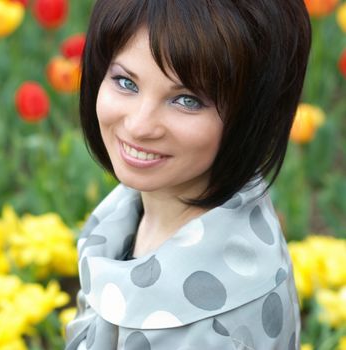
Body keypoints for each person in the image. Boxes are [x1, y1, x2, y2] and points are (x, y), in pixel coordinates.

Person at [65, 0, 311, 349]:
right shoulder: (134, 211)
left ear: (253, 114)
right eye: (125, 82)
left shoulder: (214, 331)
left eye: (187, 100)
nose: (139, 125)